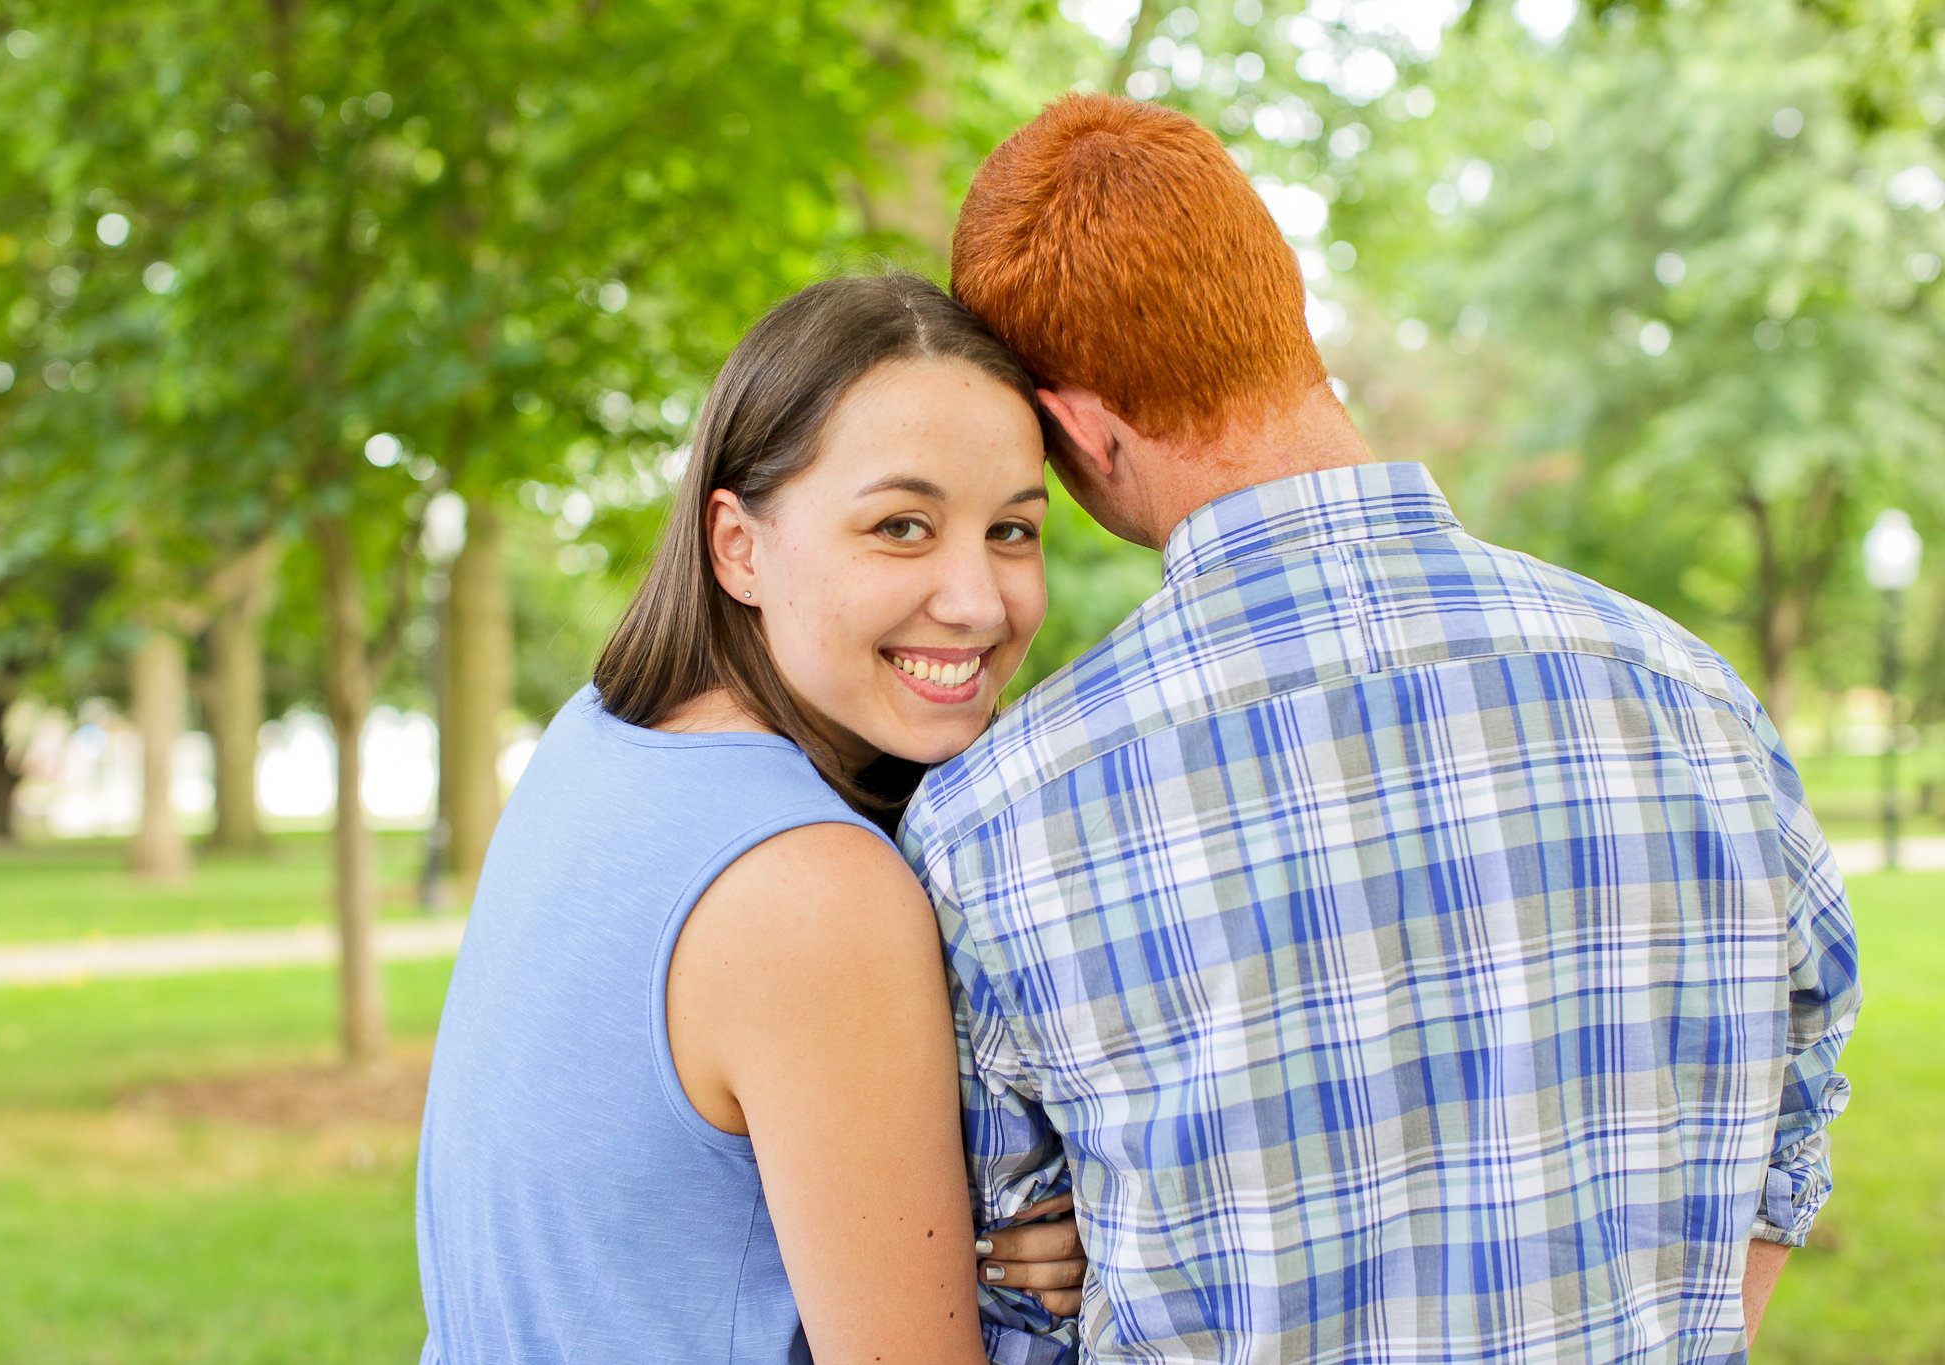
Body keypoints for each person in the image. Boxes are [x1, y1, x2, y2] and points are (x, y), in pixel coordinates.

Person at [899, 94, 1861, 1364]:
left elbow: (1013, 1293)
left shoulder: (992, 820)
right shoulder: (1692, 699)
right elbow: (1793, 1129)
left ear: (1072, 426)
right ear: (1276, 305)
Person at [415, 273, 1087, 1365]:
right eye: (901, 527)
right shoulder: (813, 889)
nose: (977, 599)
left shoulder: (596, 737)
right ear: (736, 546)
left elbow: (654, 1226)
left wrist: (943, 1240)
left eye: (1012, 530)